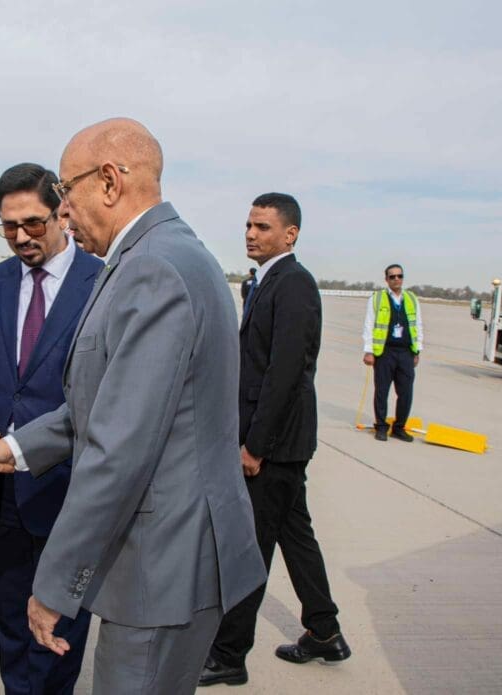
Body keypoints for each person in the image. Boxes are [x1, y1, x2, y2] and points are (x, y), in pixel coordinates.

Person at [0, 118, 266, 695]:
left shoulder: (152, 269)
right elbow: (99, 404)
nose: (64, 210)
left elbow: (118, 449)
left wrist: (54, 585)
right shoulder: (156, 255)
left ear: (109, 181)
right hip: (171, 559)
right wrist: (12, 450)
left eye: (66, 190)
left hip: (164, 566)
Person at [0, 163, 101, 694]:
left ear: (62, 213)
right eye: (9, 226)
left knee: (61, 623)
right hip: (3, 490)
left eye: (33, 223)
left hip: (70, 487)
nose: (20, 237)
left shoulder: (101, 283)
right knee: (10, 617)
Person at [199, 193, 351, 687]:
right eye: (248, 224)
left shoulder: (294, 284)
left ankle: (229, 655)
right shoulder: (264, 281)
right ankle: (324, 631)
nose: (250, 234)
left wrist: (255, 446)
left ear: (290, 234)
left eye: (262, 227)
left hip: (275, 445)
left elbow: (285, 373)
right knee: (295, 535)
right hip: (279, 442)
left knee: (251, 548)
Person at [362, 264, 423, 442]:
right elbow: (369, 325)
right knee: (382, 391)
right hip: (385, 352)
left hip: (406, 352)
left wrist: (417, 350)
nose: (396, 279)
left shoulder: (412, 299)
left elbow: (417, 325)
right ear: (386, 279)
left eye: (399, 276)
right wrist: (369, 351)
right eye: (392, 276)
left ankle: (399, 427)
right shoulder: (377, 298)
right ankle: (381, 427)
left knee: (406, 392)